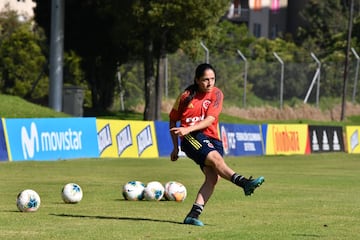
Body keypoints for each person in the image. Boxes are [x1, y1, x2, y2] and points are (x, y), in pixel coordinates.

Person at [169, 63, 265, 227]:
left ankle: (192, 215)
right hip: (190, 138)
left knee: (213, 178)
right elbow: (172, 119)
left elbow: (210, 119)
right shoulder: (185, 96)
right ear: (197, 80)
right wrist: (176, 146)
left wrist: (188, 129)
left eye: (212, 79)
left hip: (212, 138)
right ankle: (244, 183)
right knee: (215, 159)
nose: (210, 83)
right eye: (205, 80)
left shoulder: (217, 94)